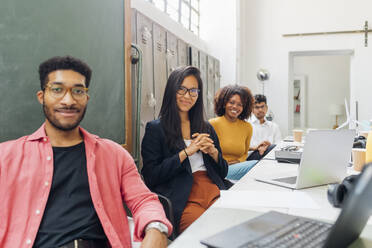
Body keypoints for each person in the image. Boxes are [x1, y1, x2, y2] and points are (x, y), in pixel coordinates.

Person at [0, 56, 172, 248]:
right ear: (42, 96)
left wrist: (157, 228)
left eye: (78, 91)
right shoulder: (6, 157)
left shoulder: (113, 155)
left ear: (86, 98)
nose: (68, 100)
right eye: (57, 89)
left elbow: (143, 200)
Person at [141, 66, 228, 235]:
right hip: (183, 195)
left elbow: (223, 172)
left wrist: (214, 153)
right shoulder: (156, 129)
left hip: (212, 190)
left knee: (229, 228)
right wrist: (186, 153)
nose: (187, 96)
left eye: (193, 91)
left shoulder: (206, 127)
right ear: (172, 90)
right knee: (203, 234)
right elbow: (151, 177)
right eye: (182, 89)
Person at [209, 85, 258, 181]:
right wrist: (225, 163)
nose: (235, 107)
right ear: (224, 103)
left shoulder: (247, 127)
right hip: (220, 169)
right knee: (257, 165)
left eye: (240, 104)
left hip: (238, 167)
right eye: (231, 102)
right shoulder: (213, 124)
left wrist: (239, 161)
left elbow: (245, 153)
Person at [247, 94, 282, 161]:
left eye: (262, 107)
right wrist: (257, 148)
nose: (260, 110)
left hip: (270, 155)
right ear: (252, 110)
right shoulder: (247, 125)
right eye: (257, 107)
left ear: (266, 108)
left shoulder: (274, 127)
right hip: (251, 157)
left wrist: (268, 146)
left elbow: (279, 146)